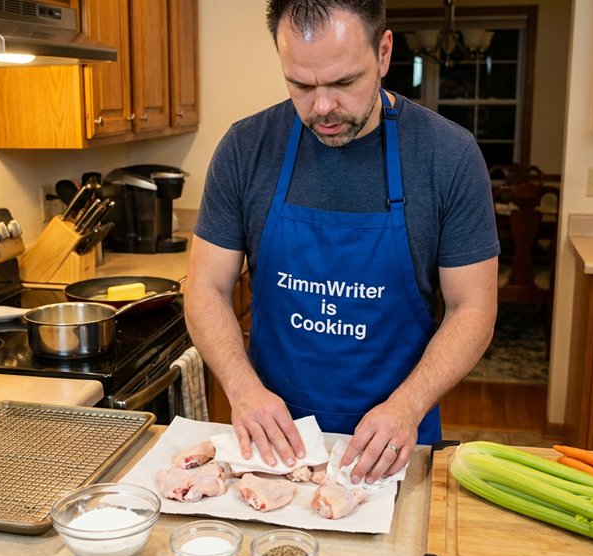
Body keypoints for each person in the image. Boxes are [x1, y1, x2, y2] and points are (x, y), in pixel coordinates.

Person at [185, 0, 499, 485]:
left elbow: (473, 309)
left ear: (384, 52)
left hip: (395, 439)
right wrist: (243, 389)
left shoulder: (448, 155)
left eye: (344, 82)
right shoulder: (246, 148)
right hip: (272, 442)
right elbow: (205, 286)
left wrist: (407, 406)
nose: (323, 106)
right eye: (301, 85)